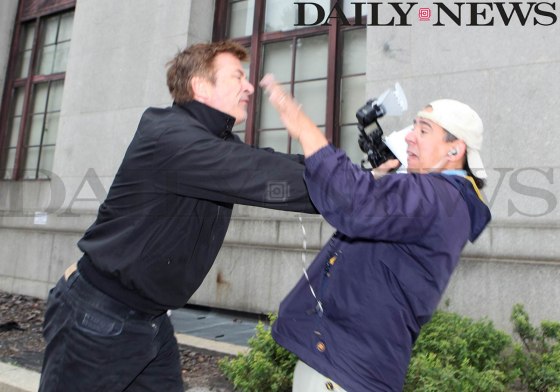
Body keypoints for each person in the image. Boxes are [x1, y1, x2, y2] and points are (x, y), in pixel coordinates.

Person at [39, 41, 316, 392]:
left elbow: (275, 166)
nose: (249, 86)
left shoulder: (210, 141)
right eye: (237, 77)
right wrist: (343, 179)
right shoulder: (173, 138)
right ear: (200, 86)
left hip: (147, 320)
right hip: (97, 319)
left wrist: (367, 178)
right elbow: (266, 178)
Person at [260, 74, 491, 392]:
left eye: (423, 131)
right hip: (344, 365)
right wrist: (376, 186)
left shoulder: (439, 196)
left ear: (455, 150)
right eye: (413, 128)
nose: (410, 137)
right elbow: (361, 218)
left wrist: (304, 129)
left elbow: (353, 205)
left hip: (345, 372)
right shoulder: (439, 196)